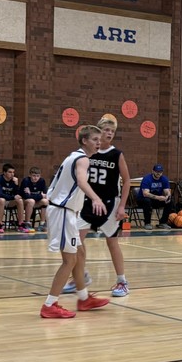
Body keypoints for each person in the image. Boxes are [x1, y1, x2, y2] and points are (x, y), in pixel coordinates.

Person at [39, 124, 111, 319]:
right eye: (95, 140)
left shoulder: (74, 157)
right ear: (84, 141)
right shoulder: (82, 160)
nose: (99, 143)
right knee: (69, 260)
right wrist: (96, 198)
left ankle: (84, 298)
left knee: (78, 254)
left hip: (66, 212)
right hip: (63, 212)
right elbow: (81, 181)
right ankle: (49, 304)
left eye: (100, 140)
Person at [65, 117, 132, 297]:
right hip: (88, 203)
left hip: (110, 204)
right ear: (98, 132)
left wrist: (122, 206)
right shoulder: (88, 153)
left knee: (112, 242)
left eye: (112, 131)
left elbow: (126, 181)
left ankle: (122, 282)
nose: (109, 133)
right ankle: (80, 277)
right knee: (75, 241)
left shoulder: (116, 154)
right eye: (106, 130)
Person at [0, 162, 32, 234]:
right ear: (4, 172)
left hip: (9, 201)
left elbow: (18, 194)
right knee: (2, 200)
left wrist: (16, 185)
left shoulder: (14, 180)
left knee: (19, 200)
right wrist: (13, 197)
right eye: (10, 172)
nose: (12, 174)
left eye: (13, 172)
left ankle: (20, 224)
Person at [21, 166, 49, 230]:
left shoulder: (42, 181)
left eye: (37, 176)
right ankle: (27, 223)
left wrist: (32, 195)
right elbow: (26, 196)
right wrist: (40, 196)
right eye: (34, 176)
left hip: (36, 201)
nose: (35, 178)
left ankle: (42, 223)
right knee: (31, 201)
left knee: (45, 201)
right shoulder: (26, 181)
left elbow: (45, 195)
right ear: (30, 175)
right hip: (25, 202)